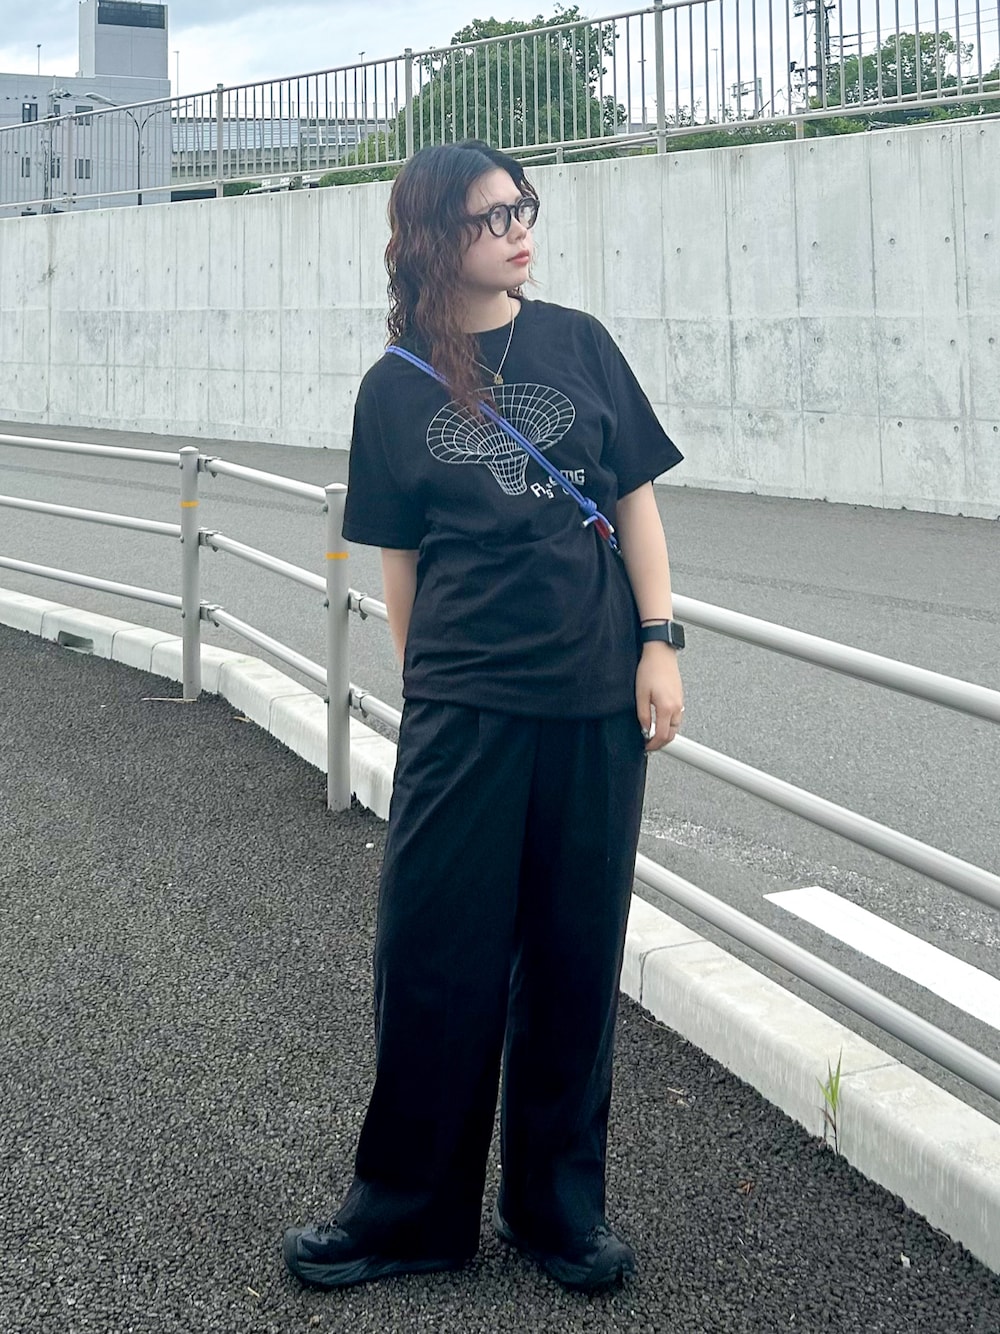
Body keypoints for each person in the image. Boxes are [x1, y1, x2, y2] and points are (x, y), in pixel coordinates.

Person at [283, 140, 685, 1294]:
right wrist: (431, 687)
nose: (519, 229)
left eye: (524, 207)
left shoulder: (579, 343)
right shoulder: (395, 384)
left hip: (593, 699)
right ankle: (409, 1210)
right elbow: (399, 561)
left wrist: (658, 641)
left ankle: (558, 1210)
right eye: (492, 214)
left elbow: (633, 504)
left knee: (573, 958)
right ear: (433, 238)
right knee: (433, 957)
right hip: (465, 708)